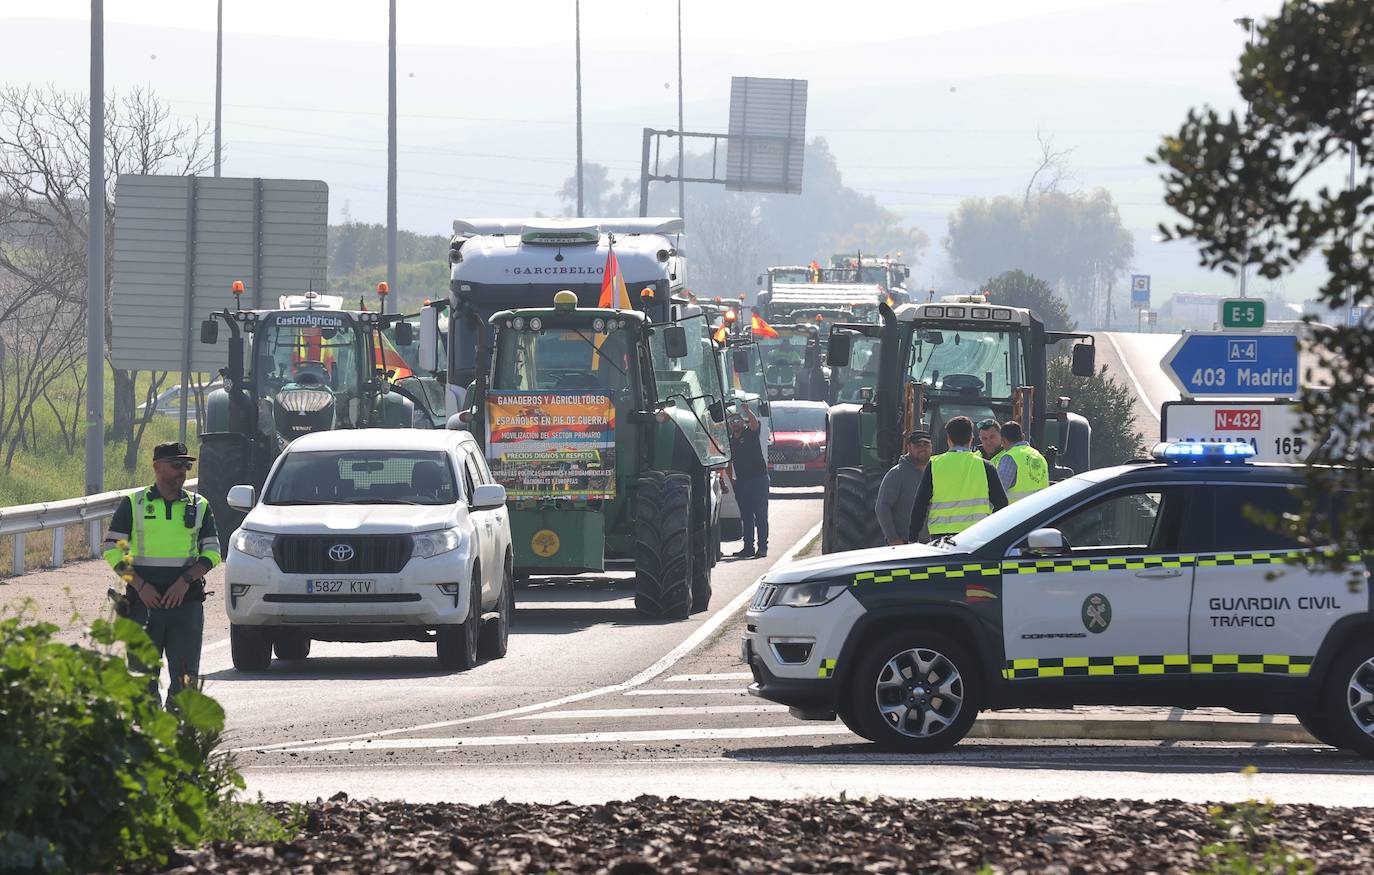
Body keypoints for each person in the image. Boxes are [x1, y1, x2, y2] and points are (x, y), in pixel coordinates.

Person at [102, 441, 221, 706]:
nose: (183, 471)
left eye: (187, 466)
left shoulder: (199, 505)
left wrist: (184, 581)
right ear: (157, 467)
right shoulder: (134, 503)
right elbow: (111, 550)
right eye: (176, 465)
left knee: (186, 679)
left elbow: (213, 553)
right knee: (141, 678)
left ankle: (179, 737)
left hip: (185, 604)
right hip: (143, 605)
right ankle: (146, 735)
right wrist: (141, 586)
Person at [909, 416, 1009, 542]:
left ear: (949, 439)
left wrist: (912, 538)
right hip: (976, 535)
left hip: (941, 538)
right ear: (971, 439)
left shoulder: (934, 465)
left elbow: (920, 504)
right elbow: (1002, 504)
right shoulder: (986, 466)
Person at [727, 401, 769, 558]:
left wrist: (747, 410)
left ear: (742, 422)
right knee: (746, 516)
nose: (735, 424)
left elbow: (754, 423)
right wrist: (731, 481)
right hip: (742, 482)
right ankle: (748, 547)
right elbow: (728, 462)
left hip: (759, 479)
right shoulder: (731, 441)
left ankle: (762, 547)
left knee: (760, 515)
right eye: (732, 422)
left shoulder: (750, 433)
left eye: (738, 420)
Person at [876, 430, 933, 546]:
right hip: (906, 544)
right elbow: (882, 507)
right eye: (917, 445)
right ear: (909, 447)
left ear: (931, 447)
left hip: (932, 543)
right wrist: (893, 538)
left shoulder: (936, 471)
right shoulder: (897, 474)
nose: (922, 448)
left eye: (926, 444)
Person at [997, 420, 1050, 502]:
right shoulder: (1039, 456)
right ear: (1023, 437)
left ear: (1003, 440)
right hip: (1040, 510)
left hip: (1018, 512)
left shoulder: (1009, 457)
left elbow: (998, 491)